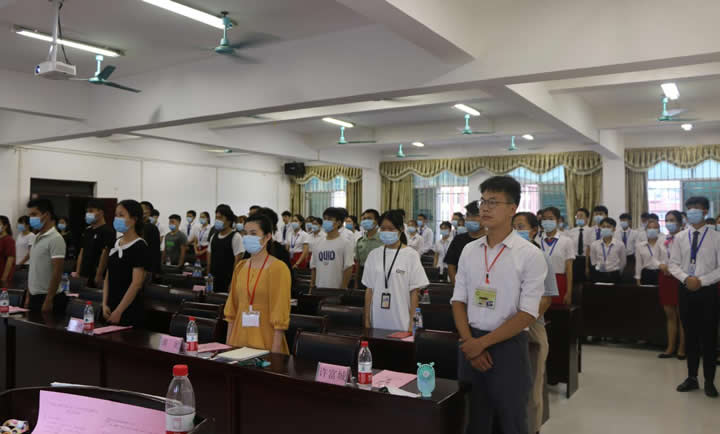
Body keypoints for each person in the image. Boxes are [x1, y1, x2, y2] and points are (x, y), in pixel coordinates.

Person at [451, 176, 546, 434]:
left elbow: (527, 313)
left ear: (512, 208)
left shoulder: (530, 255)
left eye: (493, 202)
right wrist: (470, 343)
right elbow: (458, 300)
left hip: (508, 346)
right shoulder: (469, 250)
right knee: (474, 422)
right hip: (470, 342)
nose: (485, 208)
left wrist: (481, 344)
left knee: (511, 422)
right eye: (483, 201)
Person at [512, 211, 559, 434]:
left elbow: (547, 298)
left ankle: (532, 429)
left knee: (532, 385)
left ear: (533, 231)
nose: (516, 231)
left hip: (532, 326)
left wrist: (524, 322)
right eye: (513, 226)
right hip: (505, 326)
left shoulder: (541, 257)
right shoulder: (505, 255)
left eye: (521, 227)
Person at [669, 196, 720, 398]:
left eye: (696, 208)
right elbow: (673, 264)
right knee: (690, 335)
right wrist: (686, 278)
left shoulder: (716, 237)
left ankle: (709, 380)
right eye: (689, 208)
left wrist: (702, 281)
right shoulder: (680, 237)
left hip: (708, 291)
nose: (692, 212)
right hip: (686, 290)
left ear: (705, 211)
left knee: (709, 337)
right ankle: (692, 377)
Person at [224, 213, 291, 354]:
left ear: (267, 237)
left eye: (253, 233)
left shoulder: (279, 268)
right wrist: (228, 346)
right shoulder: (240, 267)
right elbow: (231, 310)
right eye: (245, 233)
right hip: (238, 340)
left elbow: (280, 313)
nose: (248, 237)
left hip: (266, 341)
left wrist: (275, 353)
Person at [362, 210, 428, 331]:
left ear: (401, 229)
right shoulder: (374, 255)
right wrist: (366, 319)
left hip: (401, 319)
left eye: (391, 229)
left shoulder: (411, 255)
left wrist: (412, 324)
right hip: (377, 317)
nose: (386, 232)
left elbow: (414, 293)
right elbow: (369, 290)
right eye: (383, 228)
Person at [103, 200, 148, 327]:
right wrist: (104, 303)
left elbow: (136, 283)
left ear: (134, 219)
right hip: (110, 305)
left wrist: (119, 311)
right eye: (116, 215)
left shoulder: (140, 246)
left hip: (128, 308)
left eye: (121, 215)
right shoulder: (116, 242)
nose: (117, 219)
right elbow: (108, 276)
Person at [25, 199, 67, 313]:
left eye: (34, 214)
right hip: (34, 296)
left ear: (46, 215)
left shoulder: (56, 238)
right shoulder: (36, 237)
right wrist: (28, 294)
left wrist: (49, 300)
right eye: (30, 215)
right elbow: (33, 269)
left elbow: (57, 272)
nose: (31, 218)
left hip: (48, 298)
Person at [657, 211, 685, 360]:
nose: (669, 223)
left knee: (682, 316)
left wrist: (675, 269)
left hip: (680, 278)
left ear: (680, 222)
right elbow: (656, 258)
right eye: (667, 220)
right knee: (670, 315)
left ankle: (682, 348)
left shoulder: (685, 238)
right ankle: (670, 347)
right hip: (665, 278)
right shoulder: (662, 239)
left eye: (672, 220)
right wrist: (660, 265)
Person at [310, 207, 354, 290]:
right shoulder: (318, 242)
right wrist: (312, 286)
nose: (326, 221)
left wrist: (343, 287)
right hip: (319, 287)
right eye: (325, 219)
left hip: (336, 288)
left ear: (338, 223)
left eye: (329, 219)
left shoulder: (345, 243)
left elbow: (348, 268)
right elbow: (314, 267)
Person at [73, 200, 115, 288]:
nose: (88, 214)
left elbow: (105, 253)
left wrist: (99, 274)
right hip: (84, 273)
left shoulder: (107, 231)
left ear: (101, 212)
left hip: (96, 274)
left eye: (91, 211)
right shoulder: (87, 230)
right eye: (87, 211)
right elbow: (82, 251)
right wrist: (78, 271)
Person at [444, 201, 486, 285]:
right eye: (468, 216)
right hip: (462, 286)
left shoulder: (490, 239)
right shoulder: (458, 240)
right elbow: (451, 266)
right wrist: (457, 287)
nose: (471, 219)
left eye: (475, 216)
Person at [540, 207, 575, 305]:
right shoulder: (537, 240)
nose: (547, 221)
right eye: (544, 219)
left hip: (558, 281)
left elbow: (569, 269)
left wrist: (569, 292)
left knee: (558, 310)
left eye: (551, 218)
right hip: (539, 281)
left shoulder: (567, 241)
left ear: (558, 220)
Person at [208, 204, 244, 293]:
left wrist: (233, 282)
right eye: (216, 218)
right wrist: (208, 277)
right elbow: (209, 258)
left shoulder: (236, 237)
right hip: (214, 280)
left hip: (228, 281)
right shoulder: (213, 236)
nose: (217, 220)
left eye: (220, 218)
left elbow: (238, 262)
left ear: (228, 220)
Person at [590, 217, 626, 283]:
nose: (605, 229)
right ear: (600, 228)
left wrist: (617, 272)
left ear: (614, 229)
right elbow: (593, 262)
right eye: (603, 227)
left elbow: (623, 262)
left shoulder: (620, 244)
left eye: (608, 227)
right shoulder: (594, 244)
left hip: (614, 274)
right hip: (599, 274)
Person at [355, 209, 383, 289]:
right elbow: (358, 263)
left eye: (369, 218)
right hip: (363, 273)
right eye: (364, 219)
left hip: (379, 273)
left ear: (376, 221)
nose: (366, 221)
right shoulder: (360, 241)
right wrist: (356, 282)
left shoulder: (383, 239)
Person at [568, 208, 591, 284]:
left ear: (587, 218)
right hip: (574, 260)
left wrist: (587, 266)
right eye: (577, 216)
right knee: (574, 283)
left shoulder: (591, 231)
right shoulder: (571, 231)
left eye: (581, 216)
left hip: (586, 260)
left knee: (585, 283)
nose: (578, 218)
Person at [616, 213, 639, 283]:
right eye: (621, 220)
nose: (623, 222)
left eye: (625, 220)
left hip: (630, 258)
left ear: (629, 221)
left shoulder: (635, 233)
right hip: (619, 257)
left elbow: (637, 247)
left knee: (628, 276)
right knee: (619, 275)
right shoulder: (616, 233)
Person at [139, 201, 161, 276]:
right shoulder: (136, 226)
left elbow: (155, 250)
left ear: (148, 211)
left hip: (146, 267)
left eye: (141, 208)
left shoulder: (152, 228)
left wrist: (155, 270)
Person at [0, 216, 15, 288]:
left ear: (5, 226)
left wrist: (4, 278)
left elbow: (10, 259)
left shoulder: (8, 240)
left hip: (2, 277)